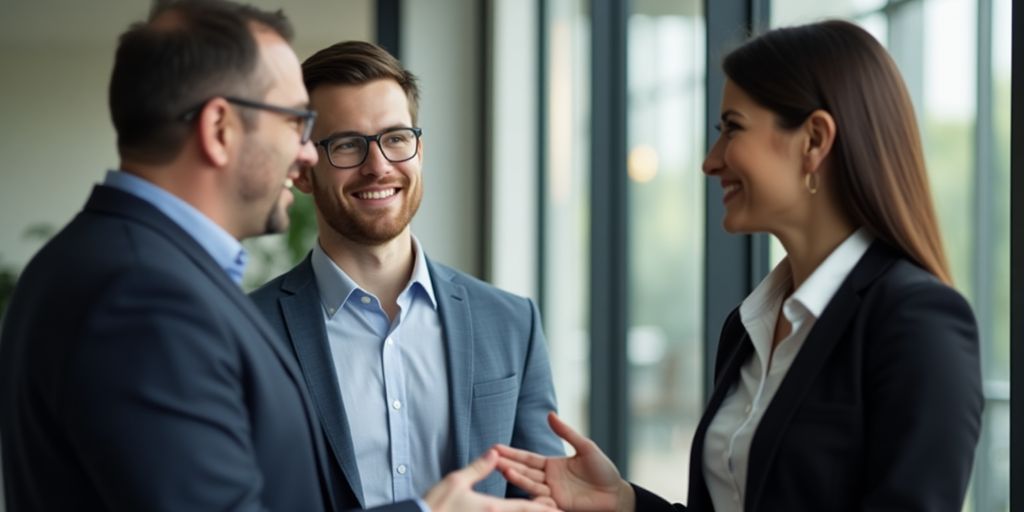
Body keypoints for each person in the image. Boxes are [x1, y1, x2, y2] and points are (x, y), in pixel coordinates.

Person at [0, 3, 557, 512]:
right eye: (295, 124)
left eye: (395, 139)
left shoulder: (126, 268)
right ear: (220, 129)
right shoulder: (141, 293)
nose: (301, 155)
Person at [495, 20, 983, 512]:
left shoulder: (916, 320)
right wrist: (624, 502)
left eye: (732, 128)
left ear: (813, 140)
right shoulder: (750, 326)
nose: (711, 160)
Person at [249, 40, 564, 511]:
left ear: (420, 150)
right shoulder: (246, 330)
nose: (378, 167)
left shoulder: (511, 323)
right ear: (302, 171)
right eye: (347, 145)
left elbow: (543, 499)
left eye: (396, 138)